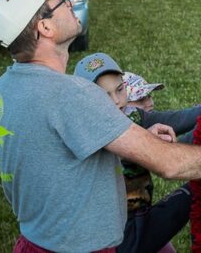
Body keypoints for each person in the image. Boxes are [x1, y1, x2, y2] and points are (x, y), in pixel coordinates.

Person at [0, 0, 201, 253]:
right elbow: (170, 164)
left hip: (33, 242)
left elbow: (54, 157)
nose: (71, 1)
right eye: (62, 0)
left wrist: (137, 138)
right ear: (45, 28)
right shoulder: (70, 94)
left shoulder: (6, 87)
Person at [74, 54, 192, 253]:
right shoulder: (81, 134)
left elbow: (179, 119)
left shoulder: (132, 116)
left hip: (140, 216)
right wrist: (144, 141)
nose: (116, 101)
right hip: (112, 235)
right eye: (104, 95)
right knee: (197, 190)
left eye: (120, 89)